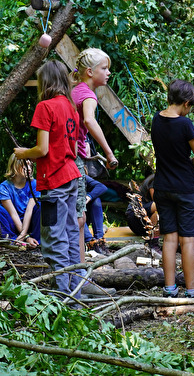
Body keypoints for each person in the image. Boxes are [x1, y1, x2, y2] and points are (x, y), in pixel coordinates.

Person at [14, 60, 82, 297]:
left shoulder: (46, 106)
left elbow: (42, 149)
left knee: (53, 237)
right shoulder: (71, 107)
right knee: (71, 233)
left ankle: (61, 296)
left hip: (54, 181)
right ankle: (76, 291)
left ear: (46, 83)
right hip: (71, 176)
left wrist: (24, 153)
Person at [151, 79, 194, 299]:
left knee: (169, 239)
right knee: (188, 240)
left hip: (162, 186)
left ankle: (170, 288)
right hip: (185, 187)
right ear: (185, 103)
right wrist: (187, 166)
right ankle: (192, 291)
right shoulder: (185, 124)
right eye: (190, 107)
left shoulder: (156, 119)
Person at [71, 48, 119, 261]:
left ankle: (75, 265)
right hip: (73, 162)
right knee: (80, 217)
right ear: (90, 72)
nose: (108, 72)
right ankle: (80, 271)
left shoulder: (75, 90)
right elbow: (89, 121)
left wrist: (83, 143)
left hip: (69, 156)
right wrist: (109, 153)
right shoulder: (88, 95)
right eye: (104, 68)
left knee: (76, 213)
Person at [0, 153, 40, 248]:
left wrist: (25, 235)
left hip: (30, 222)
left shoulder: (34, 184)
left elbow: (29, 210)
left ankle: (36, 242)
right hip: (13, 223)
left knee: (40, 206)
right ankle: (12, 241)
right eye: (25, 165)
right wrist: (24, 236)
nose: (29, 168)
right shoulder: (4, 187)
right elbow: (13, 214)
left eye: (30, 165)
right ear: (15, 166)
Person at [83, 175, 110, 255]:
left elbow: (102, 187)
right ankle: (90, 242)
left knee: (96, 200)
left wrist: (89, 197)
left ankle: (99, 239)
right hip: (69, 218)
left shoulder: (80, 175)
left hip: (83, 216)